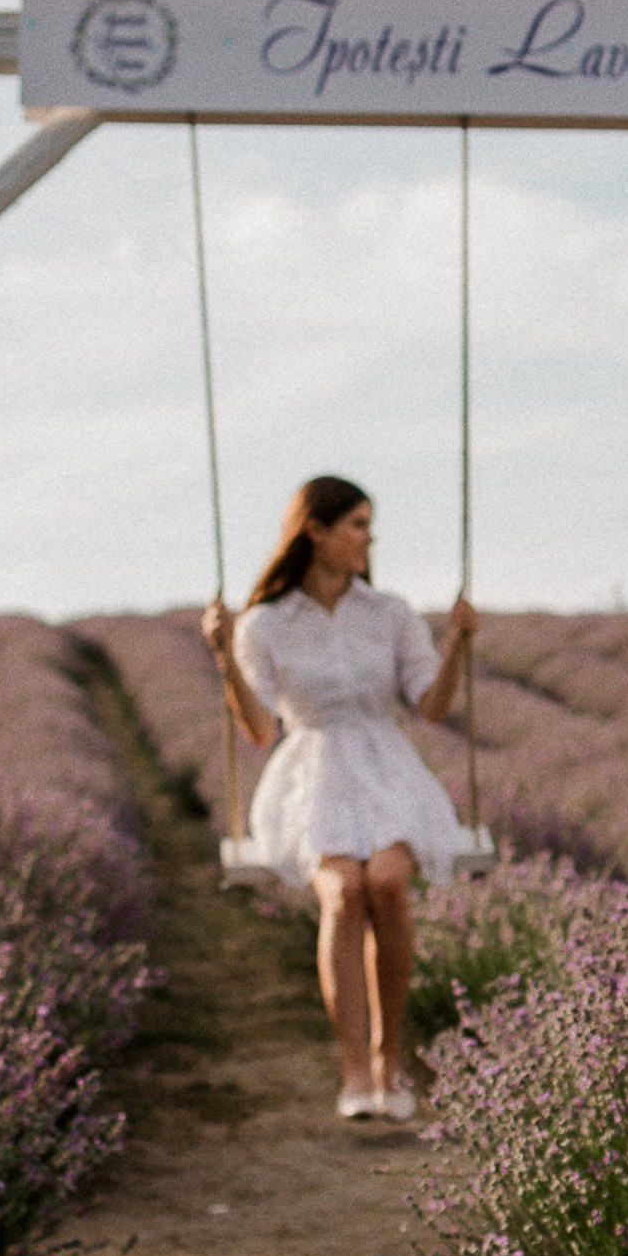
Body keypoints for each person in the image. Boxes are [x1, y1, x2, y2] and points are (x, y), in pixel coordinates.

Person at [202, 475, 481, 1122]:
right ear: (315, 532)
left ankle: (390, 1056)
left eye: (368, 524)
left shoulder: (390, 614)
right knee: (342, 891)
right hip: (313, 771)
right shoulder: (266, 624)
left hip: (385, 767)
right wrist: (223, 656)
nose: (368, 537)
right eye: (356, 523)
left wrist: (459, 645)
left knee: (385, 882)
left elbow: (433, 709)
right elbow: (261, 729)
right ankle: (355, 1065)